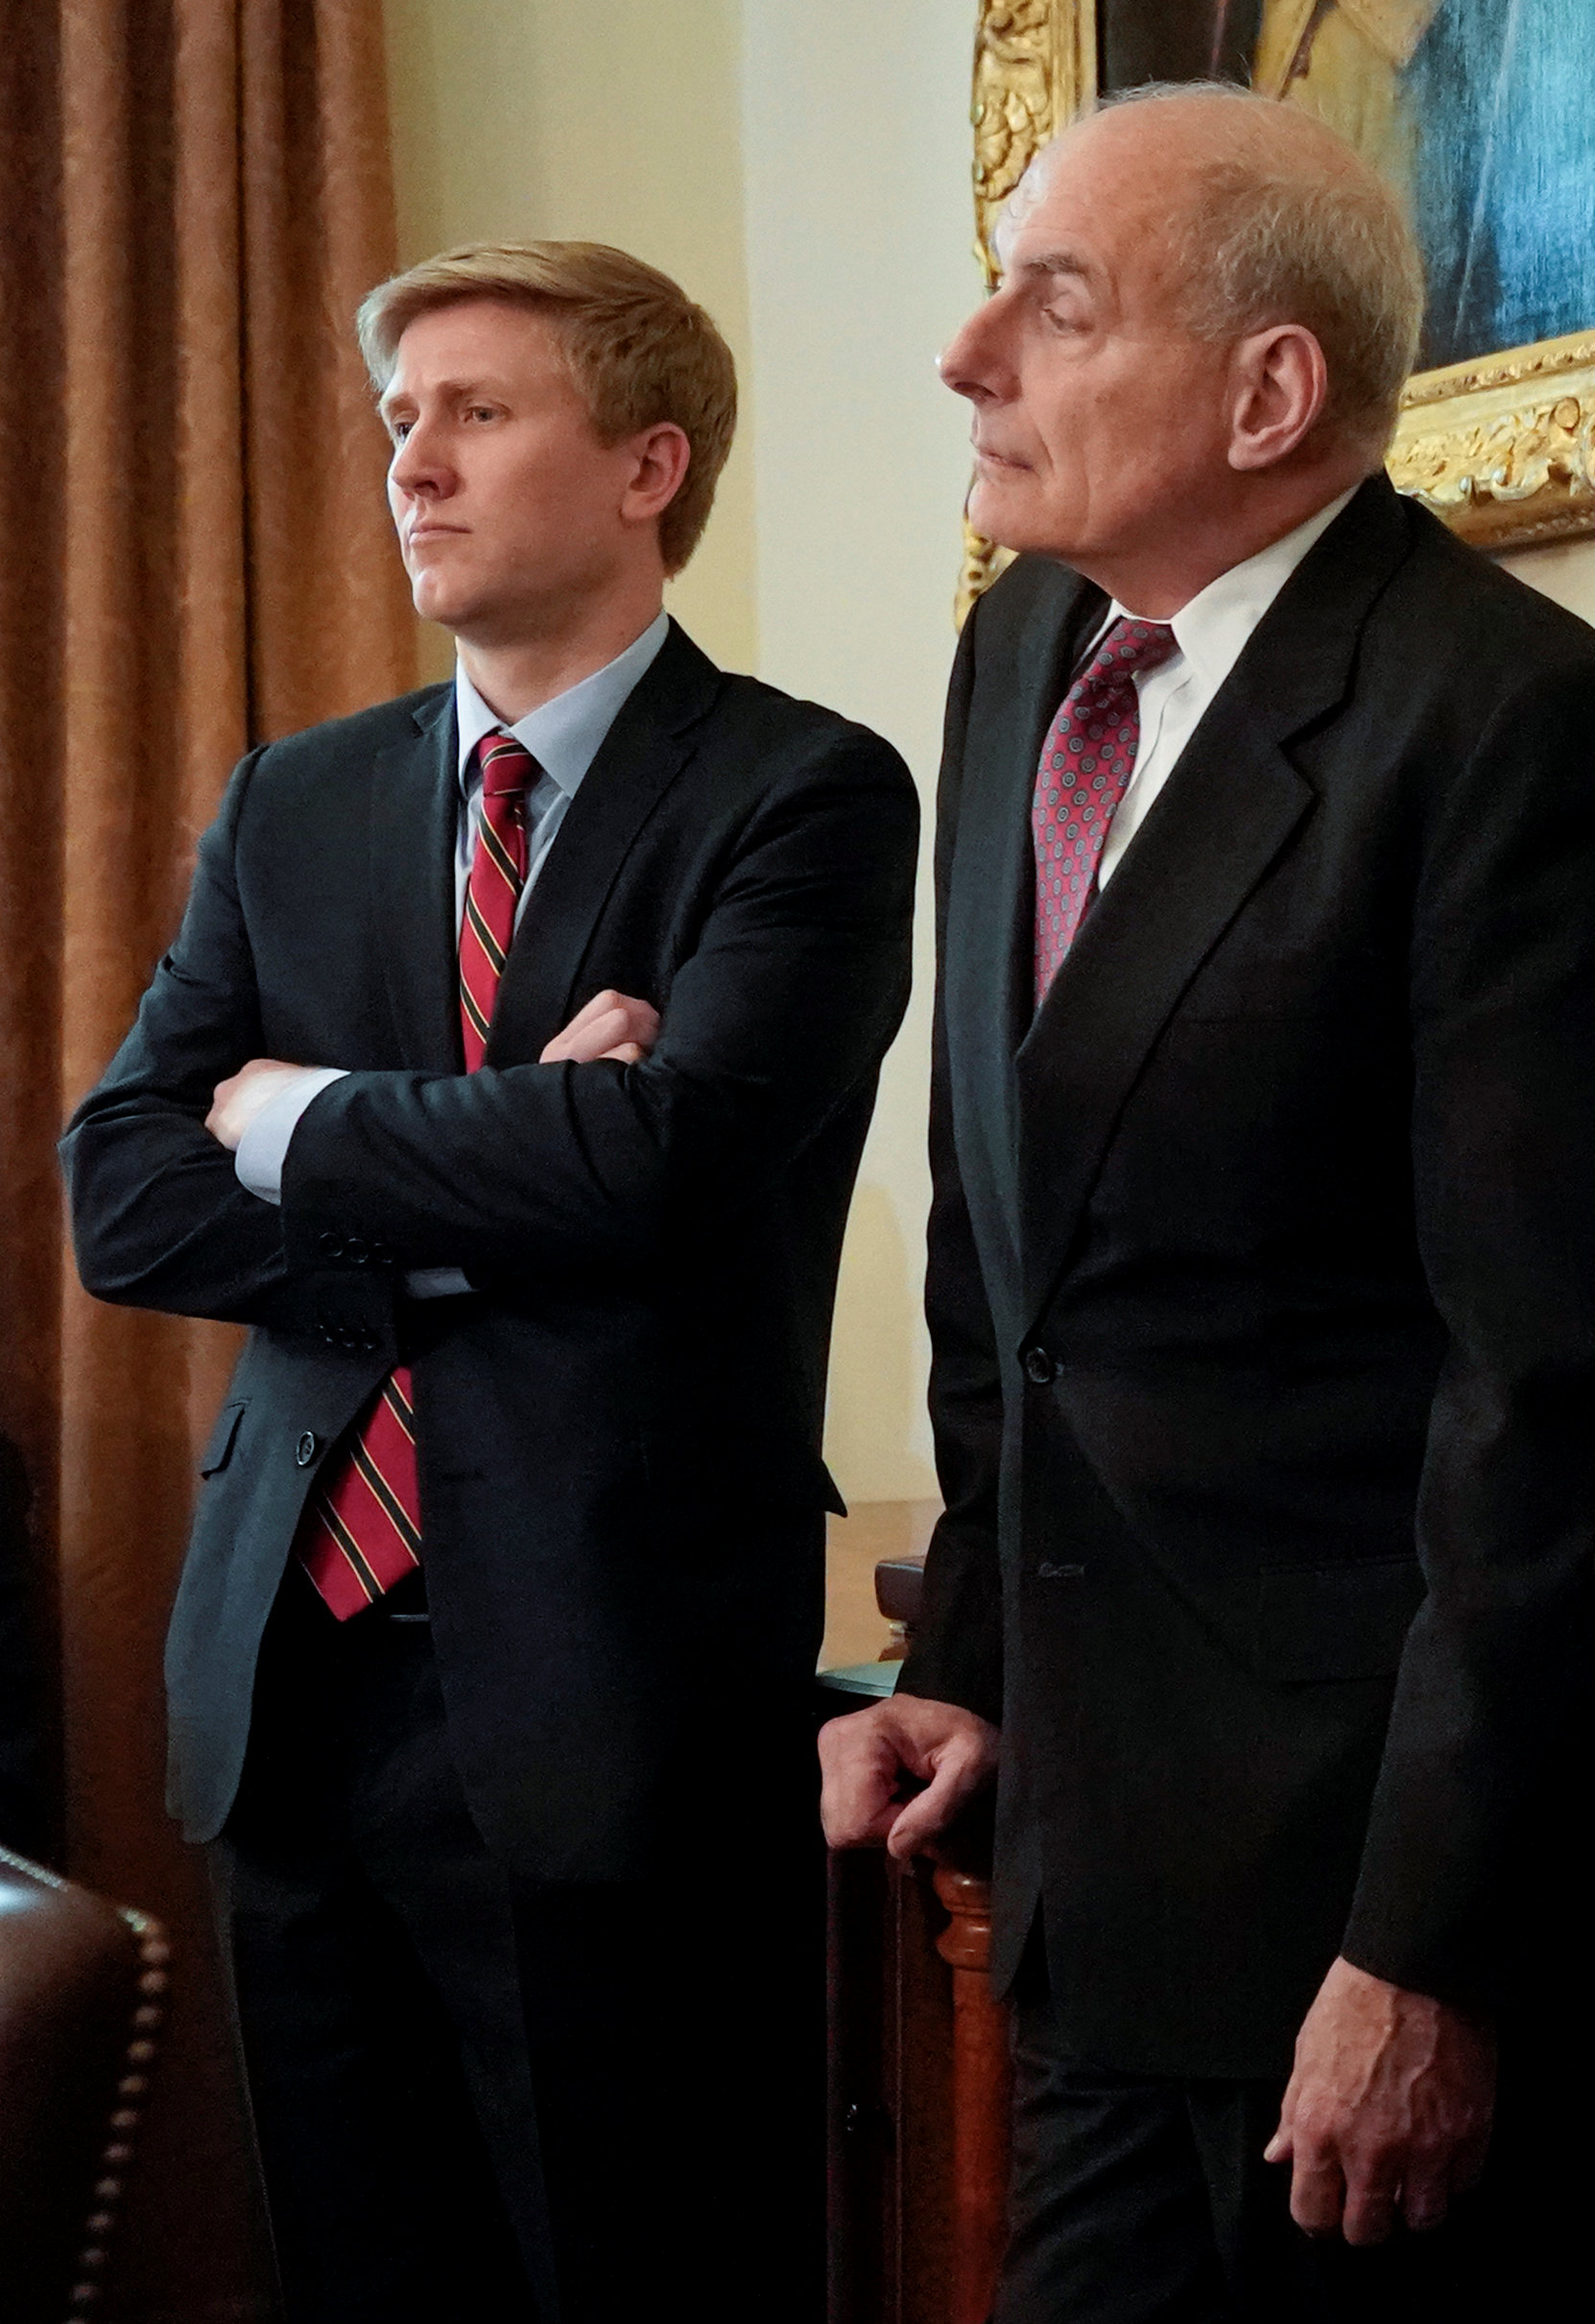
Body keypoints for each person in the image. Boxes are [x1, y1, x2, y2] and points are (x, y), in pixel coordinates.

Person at [62, 240, 917, 2324]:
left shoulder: (799, 790)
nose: (410, 463)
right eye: (395, 420)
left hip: (606, 1694)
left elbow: (666, 1157)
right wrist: (495, 1151)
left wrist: (297, 1111)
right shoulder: (301, 796)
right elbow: (123, 1191)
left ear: (648, 460)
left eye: (476, 411)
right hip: (292, 1683)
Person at [820, 84, 1593, 2323]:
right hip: (1078, 1855)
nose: (967, 352)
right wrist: (966, 1664)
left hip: (1353, 1909)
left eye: (1052, 308)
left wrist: (1425, 1950)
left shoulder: (1503, 727)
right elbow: (1009, 1253)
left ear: (1268, 391)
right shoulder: (1018, 655)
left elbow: (1543, 1405)